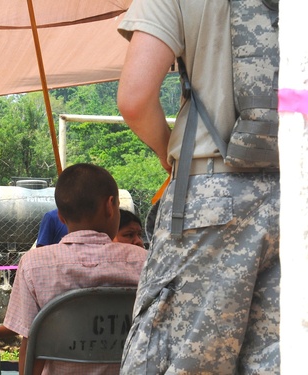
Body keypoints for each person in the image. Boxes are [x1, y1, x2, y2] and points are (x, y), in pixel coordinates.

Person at [117, 2, 280, 373]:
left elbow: (134, 98)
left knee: (179, 360)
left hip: (208, 194)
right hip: (294, 197)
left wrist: (166, 151)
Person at [3, 163, 147, 375]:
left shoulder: (34, 265)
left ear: (60, 216)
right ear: (110, 206)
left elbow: (31, 346)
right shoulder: (144, 262)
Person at [0, 206, 147, 344]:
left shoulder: (36, 264)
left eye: (139, 235)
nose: (138, 241)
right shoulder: (148, 264)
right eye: (129, 235)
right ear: (109, 228)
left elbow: (28, 330)